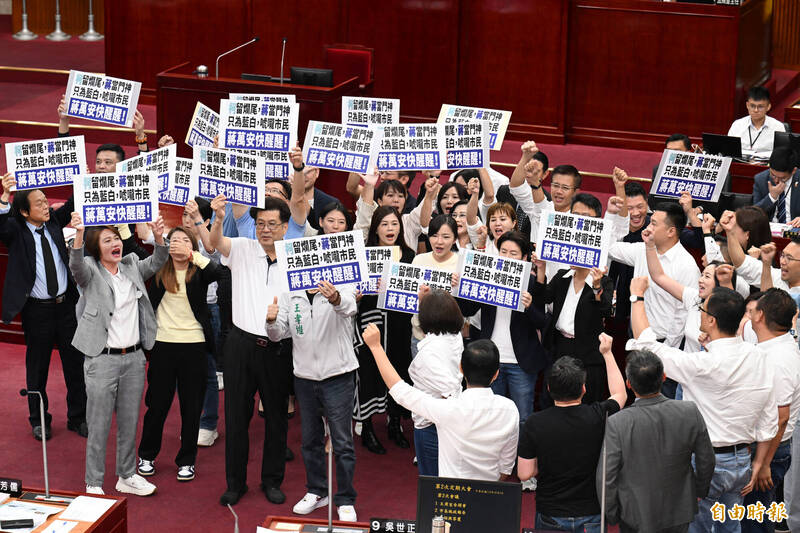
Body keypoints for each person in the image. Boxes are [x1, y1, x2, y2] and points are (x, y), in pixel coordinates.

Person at [627, 278, 778, 533]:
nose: (699, 312)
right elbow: (769, 419)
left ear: (712, 321)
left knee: (696, 526)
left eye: (702, 309)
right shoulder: (759, 357)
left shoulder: (702, 365)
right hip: (742, 460)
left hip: (705, 462)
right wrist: (760, 464)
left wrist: (636, 296)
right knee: (730, 525)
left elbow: (647, 346)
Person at [69, 213, 168, 496]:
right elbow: (75, 265)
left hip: (134, 358)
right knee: (98, 424)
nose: (115, 244)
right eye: (107, 240)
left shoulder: (131, 265)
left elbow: (159, 261)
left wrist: (158, 236)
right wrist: (78, 234)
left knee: (129, 421)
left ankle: (126, 475)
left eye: (116, 238)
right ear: (95, 247)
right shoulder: (90, 269)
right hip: (102, 359)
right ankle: (94, 482)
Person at [266, 235, 360, 522]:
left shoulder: (339, 285)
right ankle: (317, 491)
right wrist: (270, 321)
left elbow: (349, 308)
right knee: (309, 440)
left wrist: (334, 297)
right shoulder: (288, 292)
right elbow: (278, 334)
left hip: (338, 376)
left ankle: (345, 498)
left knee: (342, 441)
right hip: (304, 378)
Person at [209, 195, 294, 506]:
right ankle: (235, 482)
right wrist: (218, 218)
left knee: (276, 418)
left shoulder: (295, 257)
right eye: (260, 224)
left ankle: (272, 480)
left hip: (278, 348)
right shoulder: (243, 248)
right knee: (235, 417)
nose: (265, 230)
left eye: (272, 224)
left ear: (285, 227)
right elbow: (215, 242)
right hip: (241, 345)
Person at [363, 329, 519, 482]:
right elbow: (505, 468)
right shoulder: (510, 410)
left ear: (461, 369)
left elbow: (401, 391)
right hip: (489, 498)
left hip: (449, 500)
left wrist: (376, 347)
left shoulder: (449, 409)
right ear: (496, 374)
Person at [0, 173, 86, 441]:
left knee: (75, 365)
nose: (46, 206)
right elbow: (1, 225)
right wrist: (4, 196)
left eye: (46, 200)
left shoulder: (54, 224)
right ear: (24, 211)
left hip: (65, 307)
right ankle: (39, 420)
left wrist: (80, 175)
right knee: (37, 368)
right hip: (37, 311)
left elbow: (72, 203)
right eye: (39, 203)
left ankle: (78, 417)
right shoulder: (16, 231)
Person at [136, 225, 223, 483]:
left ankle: (186, 461)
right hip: (163, 344)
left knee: (191, 406)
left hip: (194, 344)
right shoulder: (158, 268)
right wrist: (159, 238)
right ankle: (147, 455)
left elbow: (220, 273)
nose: (180, 245)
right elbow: (133, 248)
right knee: (157, 405)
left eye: (186, 241)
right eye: (175, 241)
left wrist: (194, 254)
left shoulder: (200, 271)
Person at [517, 333, 627, 533]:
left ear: (549, 388)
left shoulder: (535, 423)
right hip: (592, 512)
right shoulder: (597, 415)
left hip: (551, 511)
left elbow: (525, 473)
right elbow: (620, 394)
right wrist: (608, 353)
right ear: (583, 388)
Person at [598, 349, 715, 533]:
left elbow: (606, 476)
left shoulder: (618, 422)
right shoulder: (689, 412)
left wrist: (611, 513)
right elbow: (706, 459)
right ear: (664, 377)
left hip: (634, 514)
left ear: (629, 384)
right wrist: (699, 491)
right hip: (679, 509)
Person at [456, 231, 548, 426]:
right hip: (491, 360)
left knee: (522, 418)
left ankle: (521, 457)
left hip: (521, 362)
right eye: (503, 251)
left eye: (513, 253)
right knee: (489, 419)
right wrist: (459, 288)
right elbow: (468, 310)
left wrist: (529, 307)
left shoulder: (532, 283)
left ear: (524, 258)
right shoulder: (488, 277)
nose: (506, 257)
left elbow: (542, 322)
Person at [533, 193, 615, 404]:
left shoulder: (602, 280)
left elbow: (607, 310)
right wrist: (541, 270)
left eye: (585, 218)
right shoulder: (562, 276)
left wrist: (596, 286)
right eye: (575, 216)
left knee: (586, 407)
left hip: (588, 355)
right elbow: (542, 298)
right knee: (552, 403)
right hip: (560, 349)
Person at [354, 205, 416, 453]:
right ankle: (367, 427)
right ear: (375, 228)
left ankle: (395, 424)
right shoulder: (365, 255)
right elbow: (354, 295)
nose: (390, 229)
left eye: (394, 224)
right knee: (369, 375)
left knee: (399, 373)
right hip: (371, 323)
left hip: (401, 326)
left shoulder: (409, 255)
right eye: (384, 224)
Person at [742, 289, 800, 533]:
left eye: (753, 309)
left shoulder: (779, 357)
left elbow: (781, 417)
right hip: (761, 447)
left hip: (768, 451)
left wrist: (762, 463)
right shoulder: (771, 346)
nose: (749, 313)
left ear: (760, 316)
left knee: (754, 520)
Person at [608, 202, 700, 349]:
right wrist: (611, 215)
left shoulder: (687, 266)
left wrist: (667, 350)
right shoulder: (642, 249)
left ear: (671, 231)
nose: (648, 228)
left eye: (654, 224)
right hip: (635, 337)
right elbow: (610, 248)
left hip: (663, 343)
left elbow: (683, 315)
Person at [642, 226, 738, 353]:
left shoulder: (730, 311)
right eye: (702, 275)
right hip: (688, 367)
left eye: (707, 277)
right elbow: (658, 276)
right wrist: (650, 246)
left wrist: (726, 281)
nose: (700, 280)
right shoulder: (694, 298)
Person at [402, 288, 465, 477]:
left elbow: (450, 391)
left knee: (432, 486)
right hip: (446, 423)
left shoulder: (430, 352)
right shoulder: (455, 337)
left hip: (431, 424)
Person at [409, 215, 461, 356]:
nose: (439, 242)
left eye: (445, 237)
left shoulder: (460, 264)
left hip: (449, 340)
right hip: (420, 337)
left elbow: (466, 308)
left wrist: (457, 290)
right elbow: (405, 298)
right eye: (434, 235)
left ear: (455, 239)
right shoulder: (418, 260)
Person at [727, 86, 787, 157]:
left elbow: (782, 155)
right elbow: (729, 151)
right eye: (752, 106)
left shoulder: (778, 127)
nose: (756, 110)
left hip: (766, 166)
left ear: (768, 107)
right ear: (747, 105)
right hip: (741, 164)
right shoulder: (737, 125)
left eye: (760, 107)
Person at [751, 147, 800, 226]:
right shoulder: (761, 179)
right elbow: (753, 214)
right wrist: (772, 197)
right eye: (773, 175)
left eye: (782, 178)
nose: (776, 180)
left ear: (793, 171)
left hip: (794, 231)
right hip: (769, 232)